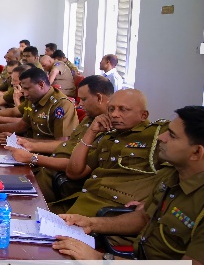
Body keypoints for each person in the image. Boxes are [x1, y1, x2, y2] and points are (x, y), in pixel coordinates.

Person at [53, 106, 204, 265]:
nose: (161, 137)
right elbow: (143, 218)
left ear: (196, 152)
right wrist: (91, 223)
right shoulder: (171, 176)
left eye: (172, 135)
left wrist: (101, 260)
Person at [53, 89, 169, 217]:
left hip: (111, 211)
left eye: (123, 109)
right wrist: (91, 132)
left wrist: (150, 202)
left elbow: (177, 173)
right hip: (84, 200)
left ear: (144, 115)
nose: (114, 114)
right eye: (111, 109)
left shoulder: (157, 135)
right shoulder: (108, 137)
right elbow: (74, 173)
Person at [8, 76, 114, 202]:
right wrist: (30, 145)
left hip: (57, 183)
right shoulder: (90, 118)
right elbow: (68, 145)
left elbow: (75, 166)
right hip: (46, 171)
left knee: (9, 200)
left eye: (84, 99)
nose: (80, 104)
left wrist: (33, 157)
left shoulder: (105, 127)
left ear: (99, 98)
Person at [0, 67, 78, 141]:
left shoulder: (61, 105)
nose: (24, 93)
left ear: (41, 85)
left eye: (27, 89)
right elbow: (21, 126)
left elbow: (61, 143)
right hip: (30, 150)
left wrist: (21, 140)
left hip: (47, 158)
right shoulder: (34, 98)